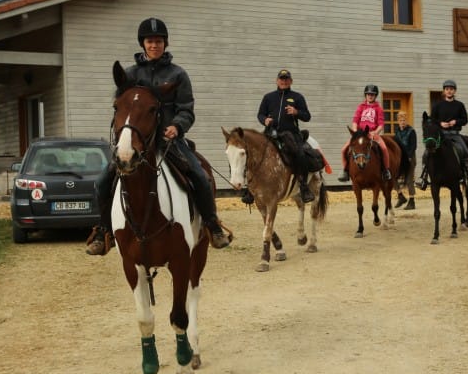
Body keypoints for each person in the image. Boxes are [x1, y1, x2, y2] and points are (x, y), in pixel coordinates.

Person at [85, 17, 231, 255]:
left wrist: (177, 126)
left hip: (169, 140)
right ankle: (103, 231)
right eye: (150, 41)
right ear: (143, 44)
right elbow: (123, 107)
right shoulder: (130, 75)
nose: (155, 45)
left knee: (200, 175)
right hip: (137, 141)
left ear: (165, 43)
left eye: (159, 41)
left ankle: (212, 225)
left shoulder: (178, 74)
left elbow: (187, 109)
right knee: (102, 181)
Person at [253, 68, 315, 203]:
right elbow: (260, 114)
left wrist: (296, 112)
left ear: (291, 81)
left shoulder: (298, 97)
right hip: (271, 133)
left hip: (290, 133)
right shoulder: (268, 97)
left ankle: (304, 187)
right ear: (277, 81)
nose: (284, 81)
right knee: (254, 153)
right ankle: (250, 189)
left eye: (286, 79)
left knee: (300, 154)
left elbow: (307, 116)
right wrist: (264, 120)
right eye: (281, 79)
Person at [416, 79, 468, 190]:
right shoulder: (438, 105)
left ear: (454, 91)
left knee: (466, 153)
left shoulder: (460, 105)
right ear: (444, 91)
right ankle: (423, 177)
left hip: (455, 135)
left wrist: (455, 122)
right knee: (425, 154)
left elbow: (465, 120)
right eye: (447, 89)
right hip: (441, 136)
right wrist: (440, 123)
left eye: (451, 89)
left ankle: (467, 177)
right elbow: (432, 120)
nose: (449, 91)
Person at [338, 84, 392, 182]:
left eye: (372, 94)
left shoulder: (378, 108)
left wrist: (375, 132)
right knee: (343, 150)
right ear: (365, 95)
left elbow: (381, 124)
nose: (370, 96)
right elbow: (355, 120)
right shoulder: (361, 107)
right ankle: (345, 171)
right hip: (359, 134)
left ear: (375, 96)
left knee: (384, 148)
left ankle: (386, 170)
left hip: (372, 133)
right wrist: (355, 132)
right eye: (368, 94)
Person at [393, 110, 417, 209]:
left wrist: (410, 157)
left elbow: (413, 146)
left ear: (407, 121)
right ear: (398, 121)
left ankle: (412, 201)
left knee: (408, 180)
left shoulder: (411, 131)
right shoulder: (397, 131)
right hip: (400, 158)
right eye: (401, 120)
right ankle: (401, 196)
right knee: (393, 177)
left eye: (404, 120)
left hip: (410, 157)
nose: (402, 122)